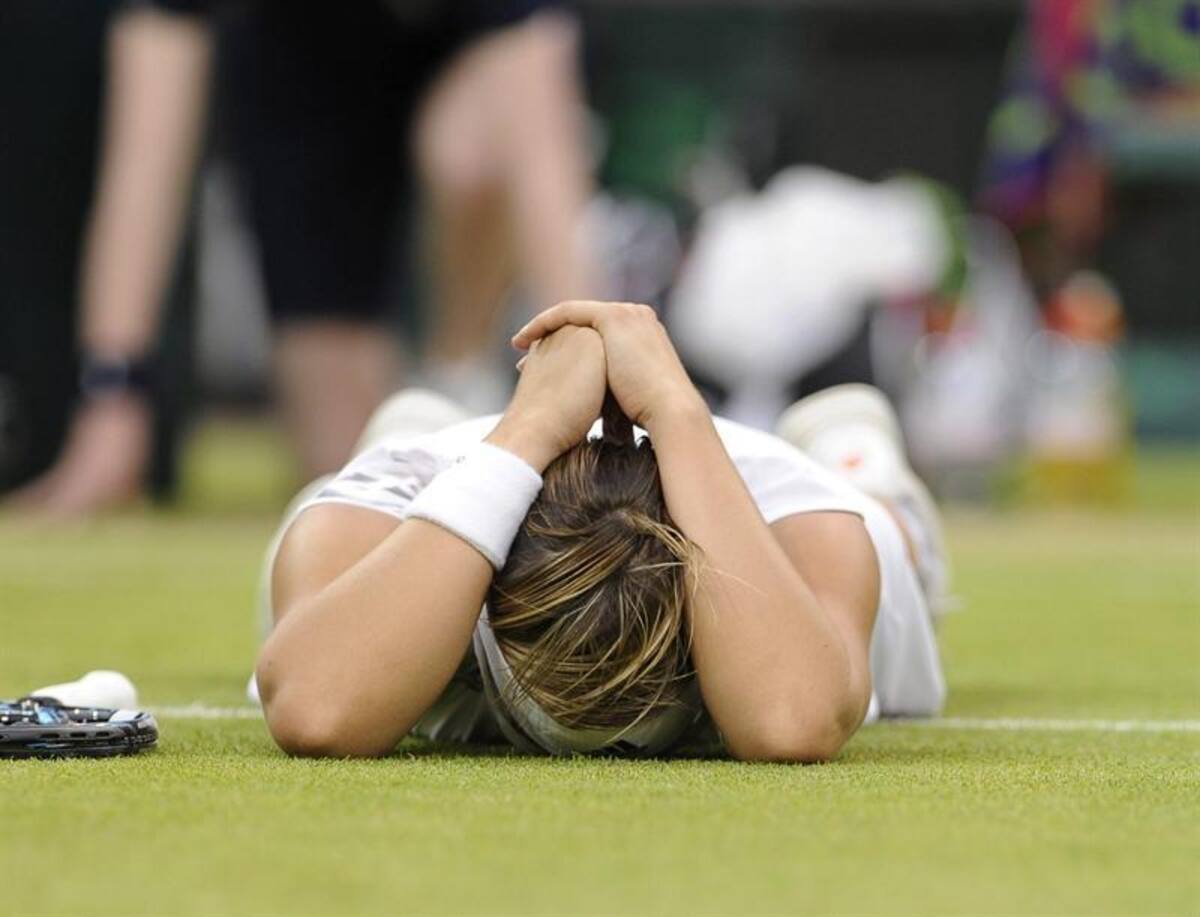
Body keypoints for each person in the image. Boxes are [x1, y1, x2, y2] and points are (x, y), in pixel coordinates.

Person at [256, 301, 948, 761]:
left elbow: (792, 719)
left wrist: (677, 408)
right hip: (454, 456)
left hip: (755, 471)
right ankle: (413, 420)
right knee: (319, 516)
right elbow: (316, 707)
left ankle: (859, 455)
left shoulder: (801, 519)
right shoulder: (387, 498)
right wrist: (529, 428)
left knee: (888, 536)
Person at [9, 0, 595, 516]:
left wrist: (592, 403)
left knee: (472, 155)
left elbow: (541, 150)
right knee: (349, 477)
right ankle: (429, 423)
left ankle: (458, 372)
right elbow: (143, 161)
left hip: (474, 78)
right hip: (306, 78)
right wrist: (113, 398)